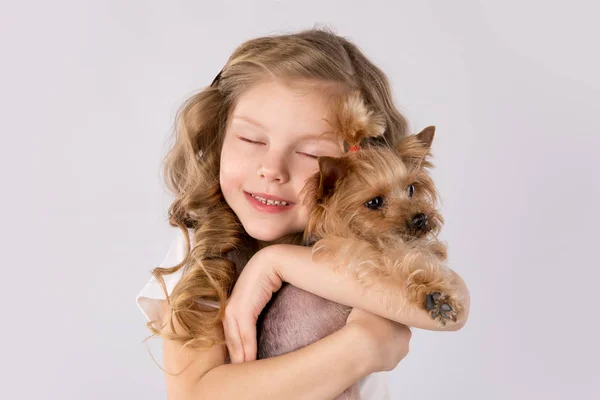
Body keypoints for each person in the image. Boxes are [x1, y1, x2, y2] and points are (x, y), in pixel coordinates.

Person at [136, 28, 470, 399]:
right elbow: (195, 396)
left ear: (362, 169)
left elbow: (450, 308)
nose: (272, 169)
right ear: (219, 135)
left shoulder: (363, 236)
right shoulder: (204, 251)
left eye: (312, 154)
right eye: (251, 140)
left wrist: (277, 263)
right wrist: (362, 347)